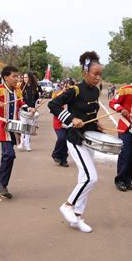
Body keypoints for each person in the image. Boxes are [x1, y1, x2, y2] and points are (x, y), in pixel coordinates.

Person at [48, 51, 104, 233]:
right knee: (91, 177)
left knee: (83, 178)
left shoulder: (96, 91)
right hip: (75, 139)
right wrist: (71, 119)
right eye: (95, 74)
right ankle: (68, 205)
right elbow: (53, 105)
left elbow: (92, 113)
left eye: (100, 74)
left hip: (90, 138)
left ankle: (77, 217)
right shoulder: (75, 90)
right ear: (85, 73)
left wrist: (97, 123)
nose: (98, 77)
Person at [0, 66, 35, 199]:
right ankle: (1, 184)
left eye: (18, 76)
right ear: (5, 77)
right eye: (14, 76)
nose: (17, 79)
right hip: (2, 126)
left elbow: (20, 103)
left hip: (14, 127)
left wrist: (29, 108)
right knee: (9, 154)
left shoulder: (17, 91)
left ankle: (1, 185)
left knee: (10, 155)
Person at [50, 80, 74, 167]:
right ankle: (55, 154)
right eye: (66, 87)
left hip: (70, 123)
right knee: (61, 138)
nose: (67, 89)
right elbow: (53, 106)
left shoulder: (73, 98)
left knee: (67, 141)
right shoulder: (57, 95)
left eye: (69, 88)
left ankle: (64, 159)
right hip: (58, 123)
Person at [18, 71, 40, 151]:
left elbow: (37, 99)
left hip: (32, 110)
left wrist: (35, 107)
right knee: (23, 127)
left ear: (30, 78)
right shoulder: (21, 87)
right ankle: (21, 142)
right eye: (24, 77)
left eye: (26, 77)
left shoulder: (35, 87)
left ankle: (27, 144)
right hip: (24, 109)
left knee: (29, 127)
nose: (25, 79)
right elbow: (20, 100)